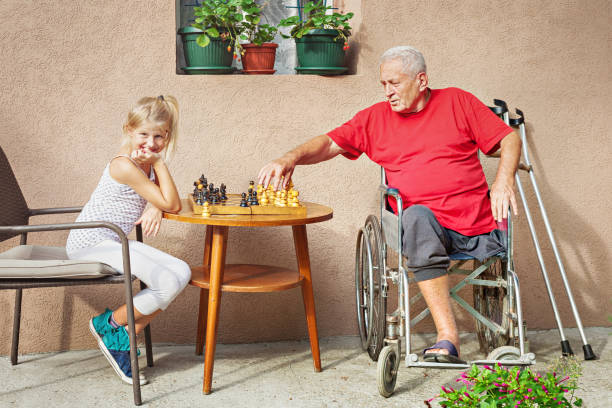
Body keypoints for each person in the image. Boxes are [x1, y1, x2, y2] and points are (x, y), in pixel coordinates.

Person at [258, 46, 521, 364]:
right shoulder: (375, 119)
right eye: (383, 85)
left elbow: (509, 139)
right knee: (417, 216)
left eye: (394, 83)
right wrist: (290, 158)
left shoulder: (457, 101)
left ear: (421, 80)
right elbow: (330, 143)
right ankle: (448, 338)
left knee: (420, 218)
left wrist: (503, 180)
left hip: (476, 226)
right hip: (421, 230)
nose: (388, 92)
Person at [66, 95, 191, 384]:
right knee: (167, 282)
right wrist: (159, 173)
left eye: (158, 136)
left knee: (182, 272)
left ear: (167, 136)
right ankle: (111, 326)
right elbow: (172, 203)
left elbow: (169, 201)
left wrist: (155, 204)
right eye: (143, 134)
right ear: (128, 131)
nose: (150, 143)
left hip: (114, 242)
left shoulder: (147, 165)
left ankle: (118, 331)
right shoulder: (124, 165)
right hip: (90, 244)